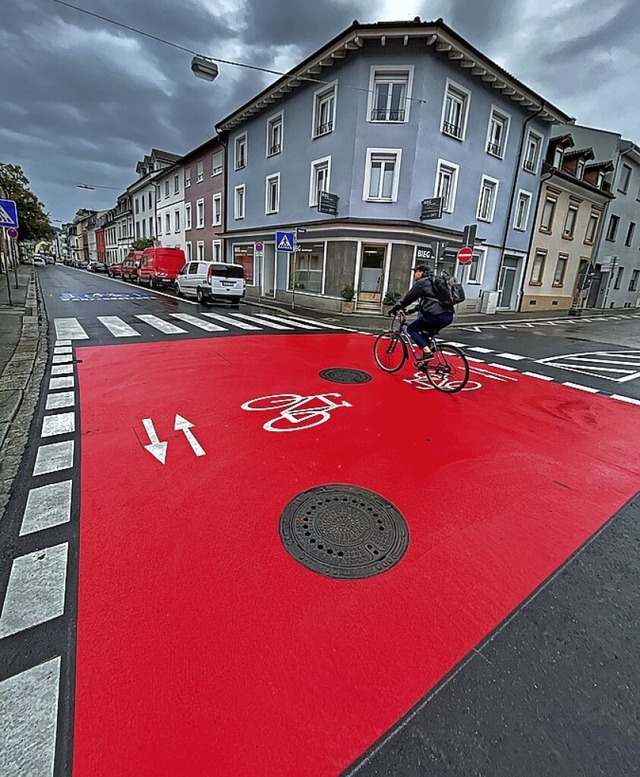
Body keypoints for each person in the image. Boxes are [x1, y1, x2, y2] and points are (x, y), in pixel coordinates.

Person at [388, 265, 453, 366]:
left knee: (411, 329)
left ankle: (427, 353)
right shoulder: (435, 282)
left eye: (416, 271)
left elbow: (408, 298)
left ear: (421, 273)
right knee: (424, 334)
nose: (414, 274)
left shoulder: (422, 283)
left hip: (435, 316)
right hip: (448, 316)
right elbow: (427, 302)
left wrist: (394, 309)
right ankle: (424, 363)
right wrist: (411, 311)